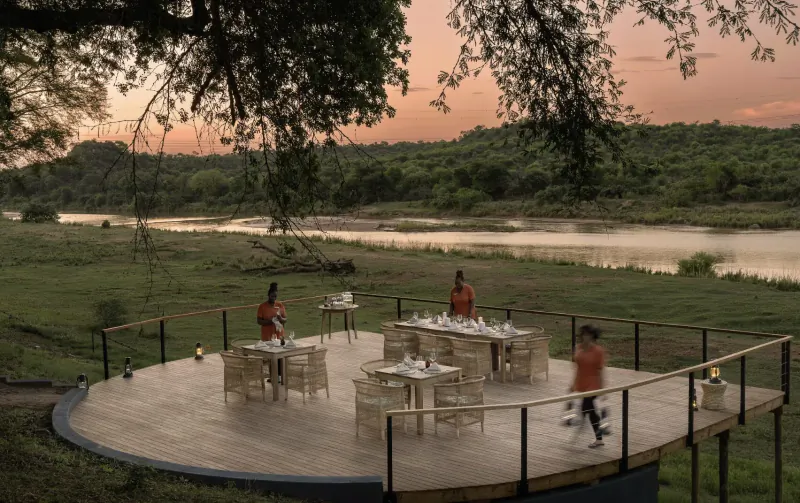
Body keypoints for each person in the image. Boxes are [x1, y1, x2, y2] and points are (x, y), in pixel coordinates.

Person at [571, 324, 606, 448]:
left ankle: (598, 438)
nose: (584, 337)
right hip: (582, 382)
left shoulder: (598, 351)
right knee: (588, 410)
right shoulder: (578, 348)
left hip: (593, 384)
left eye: (587, 334)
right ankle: (587, 428)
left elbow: (600, 370)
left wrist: (603, 389)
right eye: (583, 334)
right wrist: (572, 384)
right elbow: (577, 367)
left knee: (588, 408)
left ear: (592, 336)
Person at [257, 283, 287, 382]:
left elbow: (285, 319)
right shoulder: (262, 307)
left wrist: (280, 318)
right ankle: (273, 376)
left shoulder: (280, 305)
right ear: (268, 295)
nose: (273, 299)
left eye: (275, 297)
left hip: (279, 334)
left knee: (280, 356)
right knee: (271, 357)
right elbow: (259, 321)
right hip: (268, 335)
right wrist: (271, 321)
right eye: (272, 296)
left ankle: (280, 376)